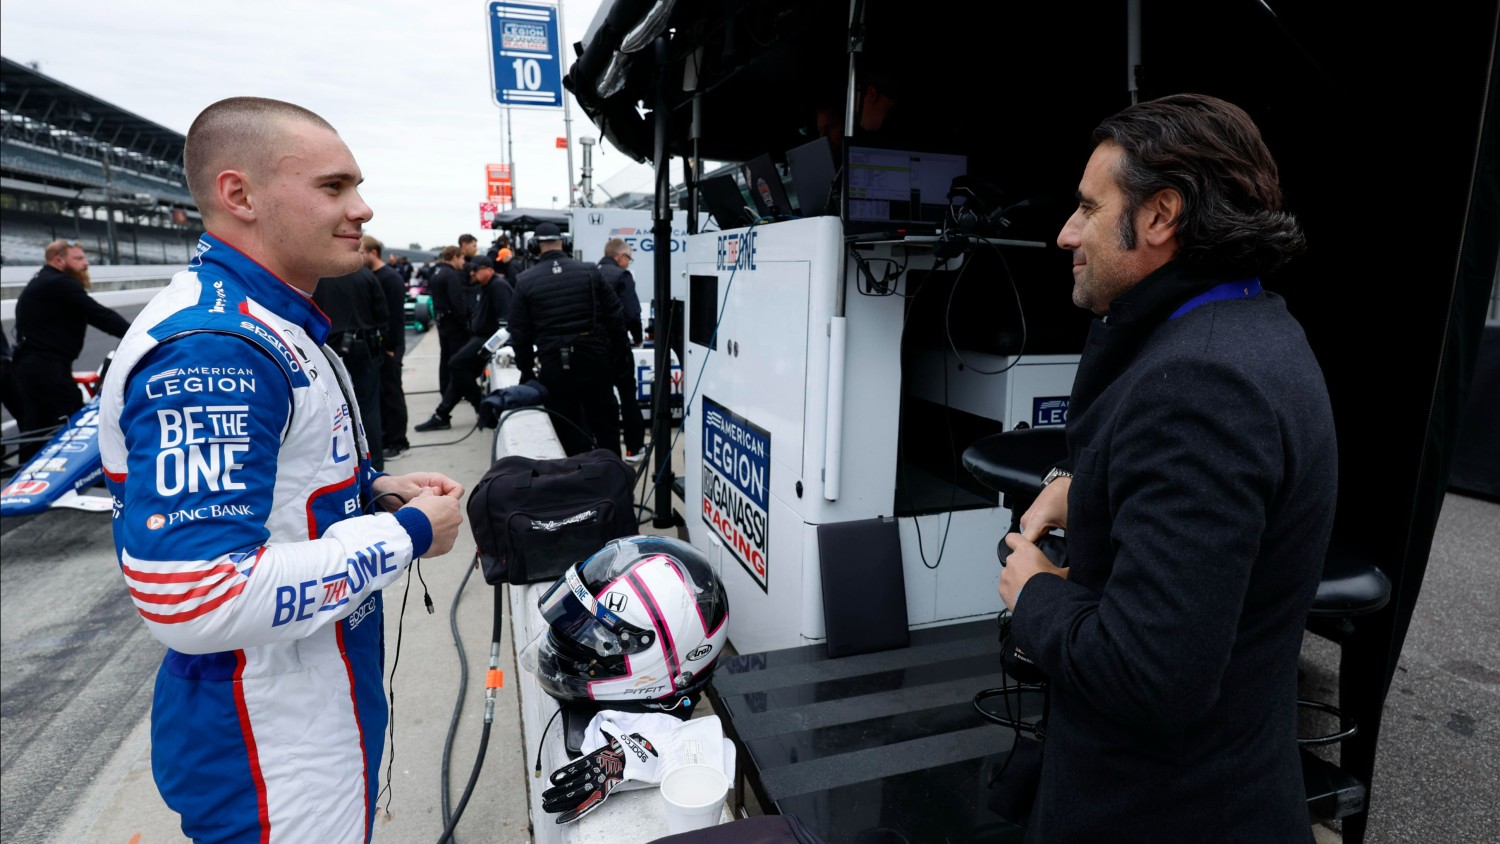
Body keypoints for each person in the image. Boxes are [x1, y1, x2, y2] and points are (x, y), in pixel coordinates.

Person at [97, 95, 464, 844]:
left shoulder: (271, 321)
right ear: (240, 195)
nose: (361, 208)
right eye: (333, 187)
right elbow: (195, 596)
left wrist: (372, 492)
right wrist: (404, 535)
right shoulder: (215, 350)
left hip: (309, 701)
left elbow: (282, 495)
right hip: (267, 734)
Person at [998, 93, 1336, 843]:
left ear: (1161, 216)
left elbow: (1151, 674)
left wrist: (1036, 596)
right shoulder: (1253, 329)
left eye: (1088, 208)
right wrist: (1094, 494)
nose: (1065, 234)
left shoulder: (1201, 384)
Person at [507, 222, 630, 457]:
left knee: (567, 430)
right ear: (566, 243)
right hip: (594, 360)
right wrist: (621, 357)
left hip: (554, 365)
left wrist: (527, 373)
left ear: (534, 246)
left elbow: (519, 334)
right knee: (606, 427)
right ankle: (615, 483)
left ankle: (577, 485)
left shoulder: (525, 280)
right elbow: (616, 317)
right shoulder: (590, 271)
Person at [12, 240, 132, 461]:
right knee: (77, 426)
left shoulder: (44, 281)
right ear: (59, 260)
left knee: (36, 429)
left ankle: (24, 487)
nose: (85, 264)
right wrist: (136, 334)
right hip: (46, 368)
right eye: (78, 259)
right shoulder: (60, 284)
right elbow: (99, 315)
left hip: (31, 366)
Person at [414, 256, 510, 431]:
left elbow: (505, 321)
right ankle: (442, 414)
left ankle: (481, 407)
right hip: (479, 336)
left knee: (456, 365)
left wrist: (493, 347)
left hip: (487, 340)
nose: (472, 273)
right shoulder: (484, 286)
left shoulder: (498, 287)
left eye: (476, 269)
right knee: (460, 376)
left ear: (488, 269)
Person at [312, 264, 387, 470]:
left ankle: (345, 464)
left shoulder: (318, 275)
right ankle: (375, 466)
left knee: (334, 410)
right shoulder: (366, 276)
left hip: (327, 348)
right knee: (369, 408)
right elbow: (382, 314)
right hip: (363, 347)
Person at [595, 238, 646, 461]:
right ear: (620, 257)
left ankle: (604, 451)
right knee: (627, 396)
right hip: (617, 345)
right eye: (629, 258)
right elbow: (632, 313)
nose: (629, 263)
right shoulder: (622, 276)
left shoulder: (590, 273)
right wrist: (637, 338)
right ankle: (634, 449)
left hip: (593, 347)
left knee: (600, 399)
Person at [361, 235, 410, 460]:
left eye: (361, 252)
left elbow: (395, 317)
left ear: (373, 253)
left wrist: (391, 346)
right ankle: (387, 437)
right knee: (381, 394)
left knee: (392, 393)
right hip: (379, 346)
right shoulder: (372, 276)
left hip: (390, 345)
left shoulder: (390, 278)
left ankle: (399, 441)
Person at [428, 245, 471, 394]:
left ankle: (445, 388)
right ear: (454, 257)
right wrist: (465, 323)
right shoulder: (452, 275)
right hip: (452, 322)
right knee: (456, 358)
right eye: (462, 258)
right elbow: (457, 302)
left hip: (441, 321)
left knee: (445, 356)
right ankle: (456, 389)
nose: (463, 262)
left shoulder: (436, 272)